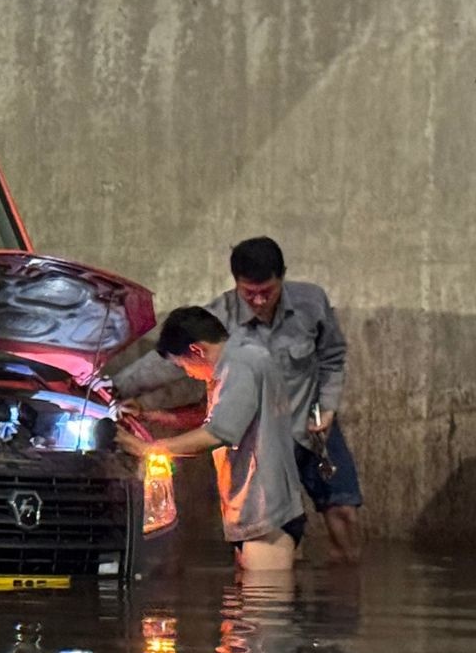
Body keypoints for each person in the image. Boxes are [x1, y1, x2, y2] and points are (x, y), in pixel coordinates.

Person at [111, 237, 363, 563]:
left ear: (282, 277)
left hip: (310, 428)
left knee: (339, 512)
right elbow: (170, 362)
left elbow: (332, 356)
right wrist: (116, 389)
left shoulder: (310, 304)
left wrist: (327, 406)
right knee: (268, 538)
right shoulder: (218, 321)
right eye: (249, 293)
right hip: (260, 445)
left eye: (267, 291)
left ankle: (343, 595)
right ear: (236, 284)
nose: (258, 301)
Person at [118, 307, 305, 571]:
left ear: (196, 351)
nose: (187, 372)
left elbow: (217, 433)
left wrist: (147, 448)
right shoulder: (235, 363)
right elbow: (208, 416)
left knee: (262, 604)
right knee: (248, 606)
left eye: (183, 365)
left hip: (265, 511)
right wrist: (151, 415)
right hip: (252, 509)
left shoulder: (241, 365)